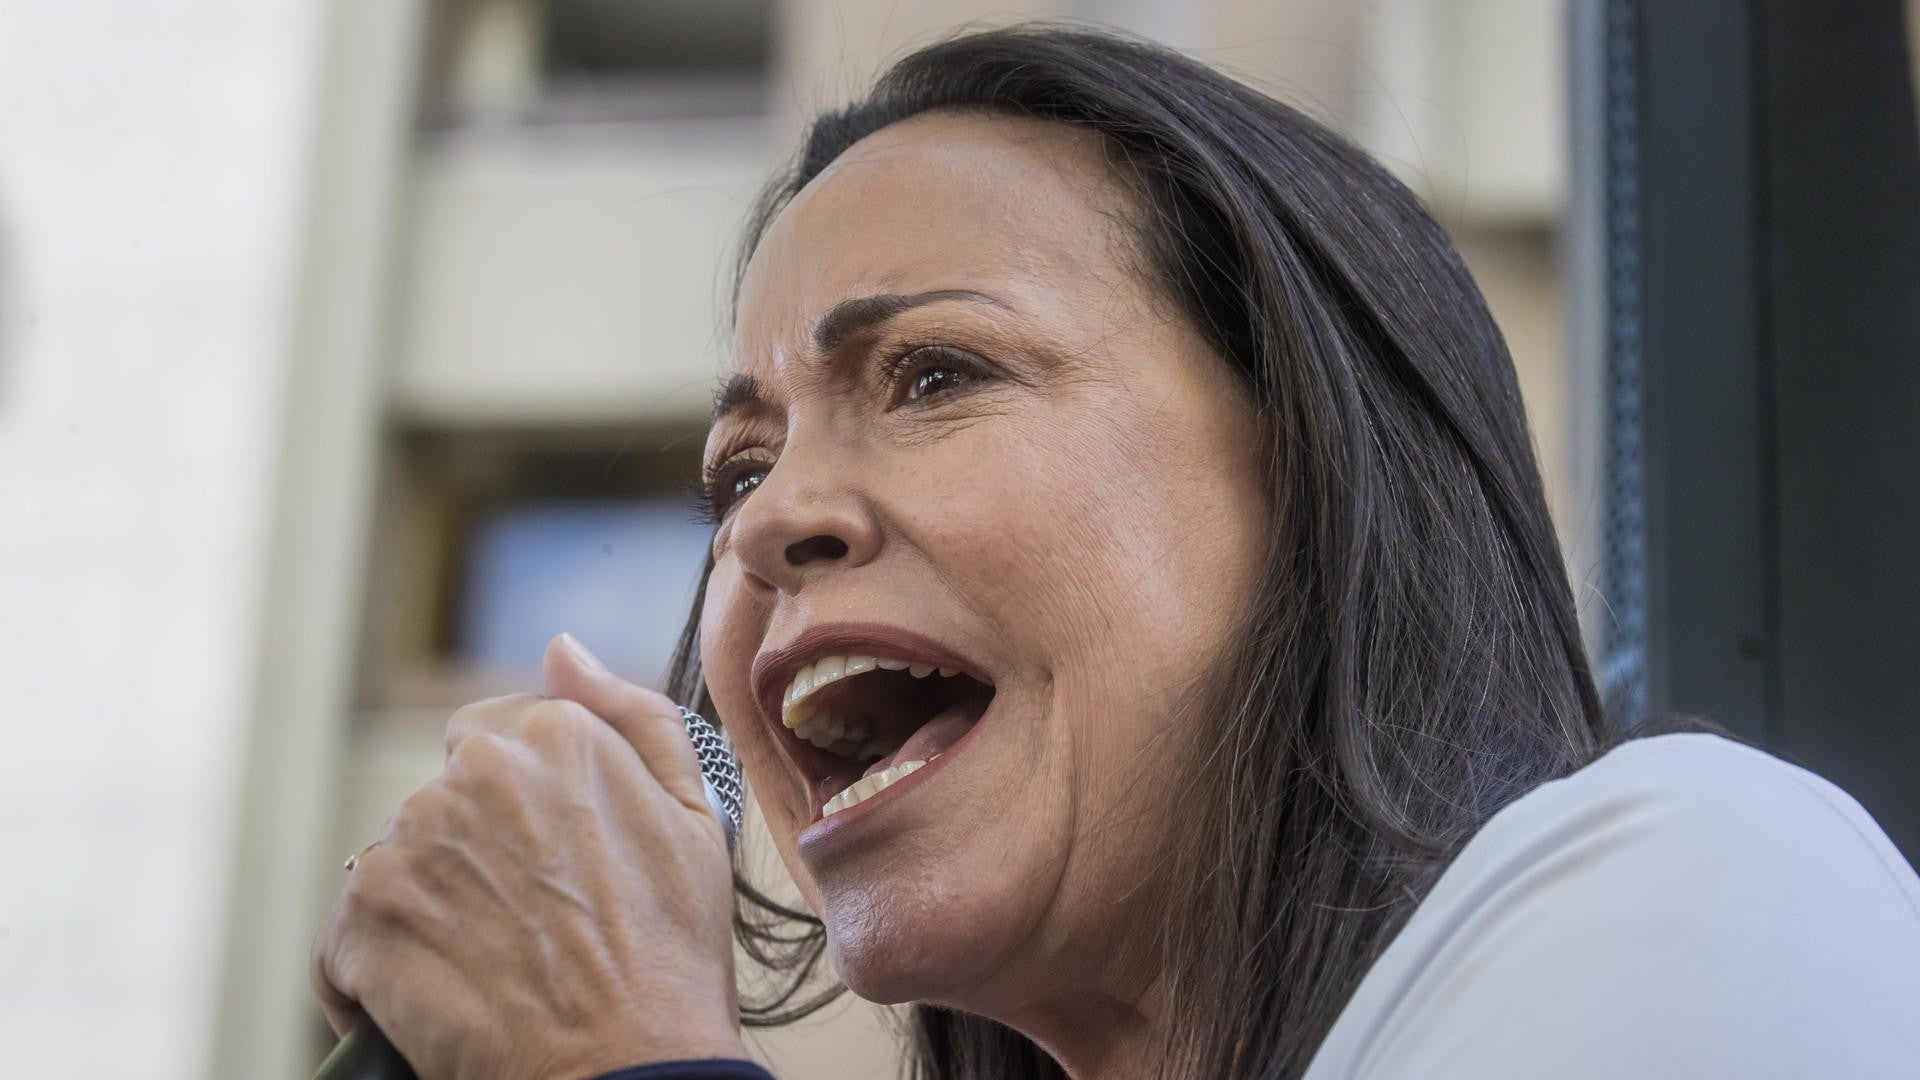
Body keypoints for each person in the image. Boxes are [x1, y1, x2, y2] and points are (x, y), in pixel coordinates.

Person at [311, 25, 1920, 1079]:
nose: (768, 522)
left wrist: (620, 1054)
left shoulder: (1697, 883)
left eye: (935, 374)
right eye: (740, 465)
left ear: (1312, 467)